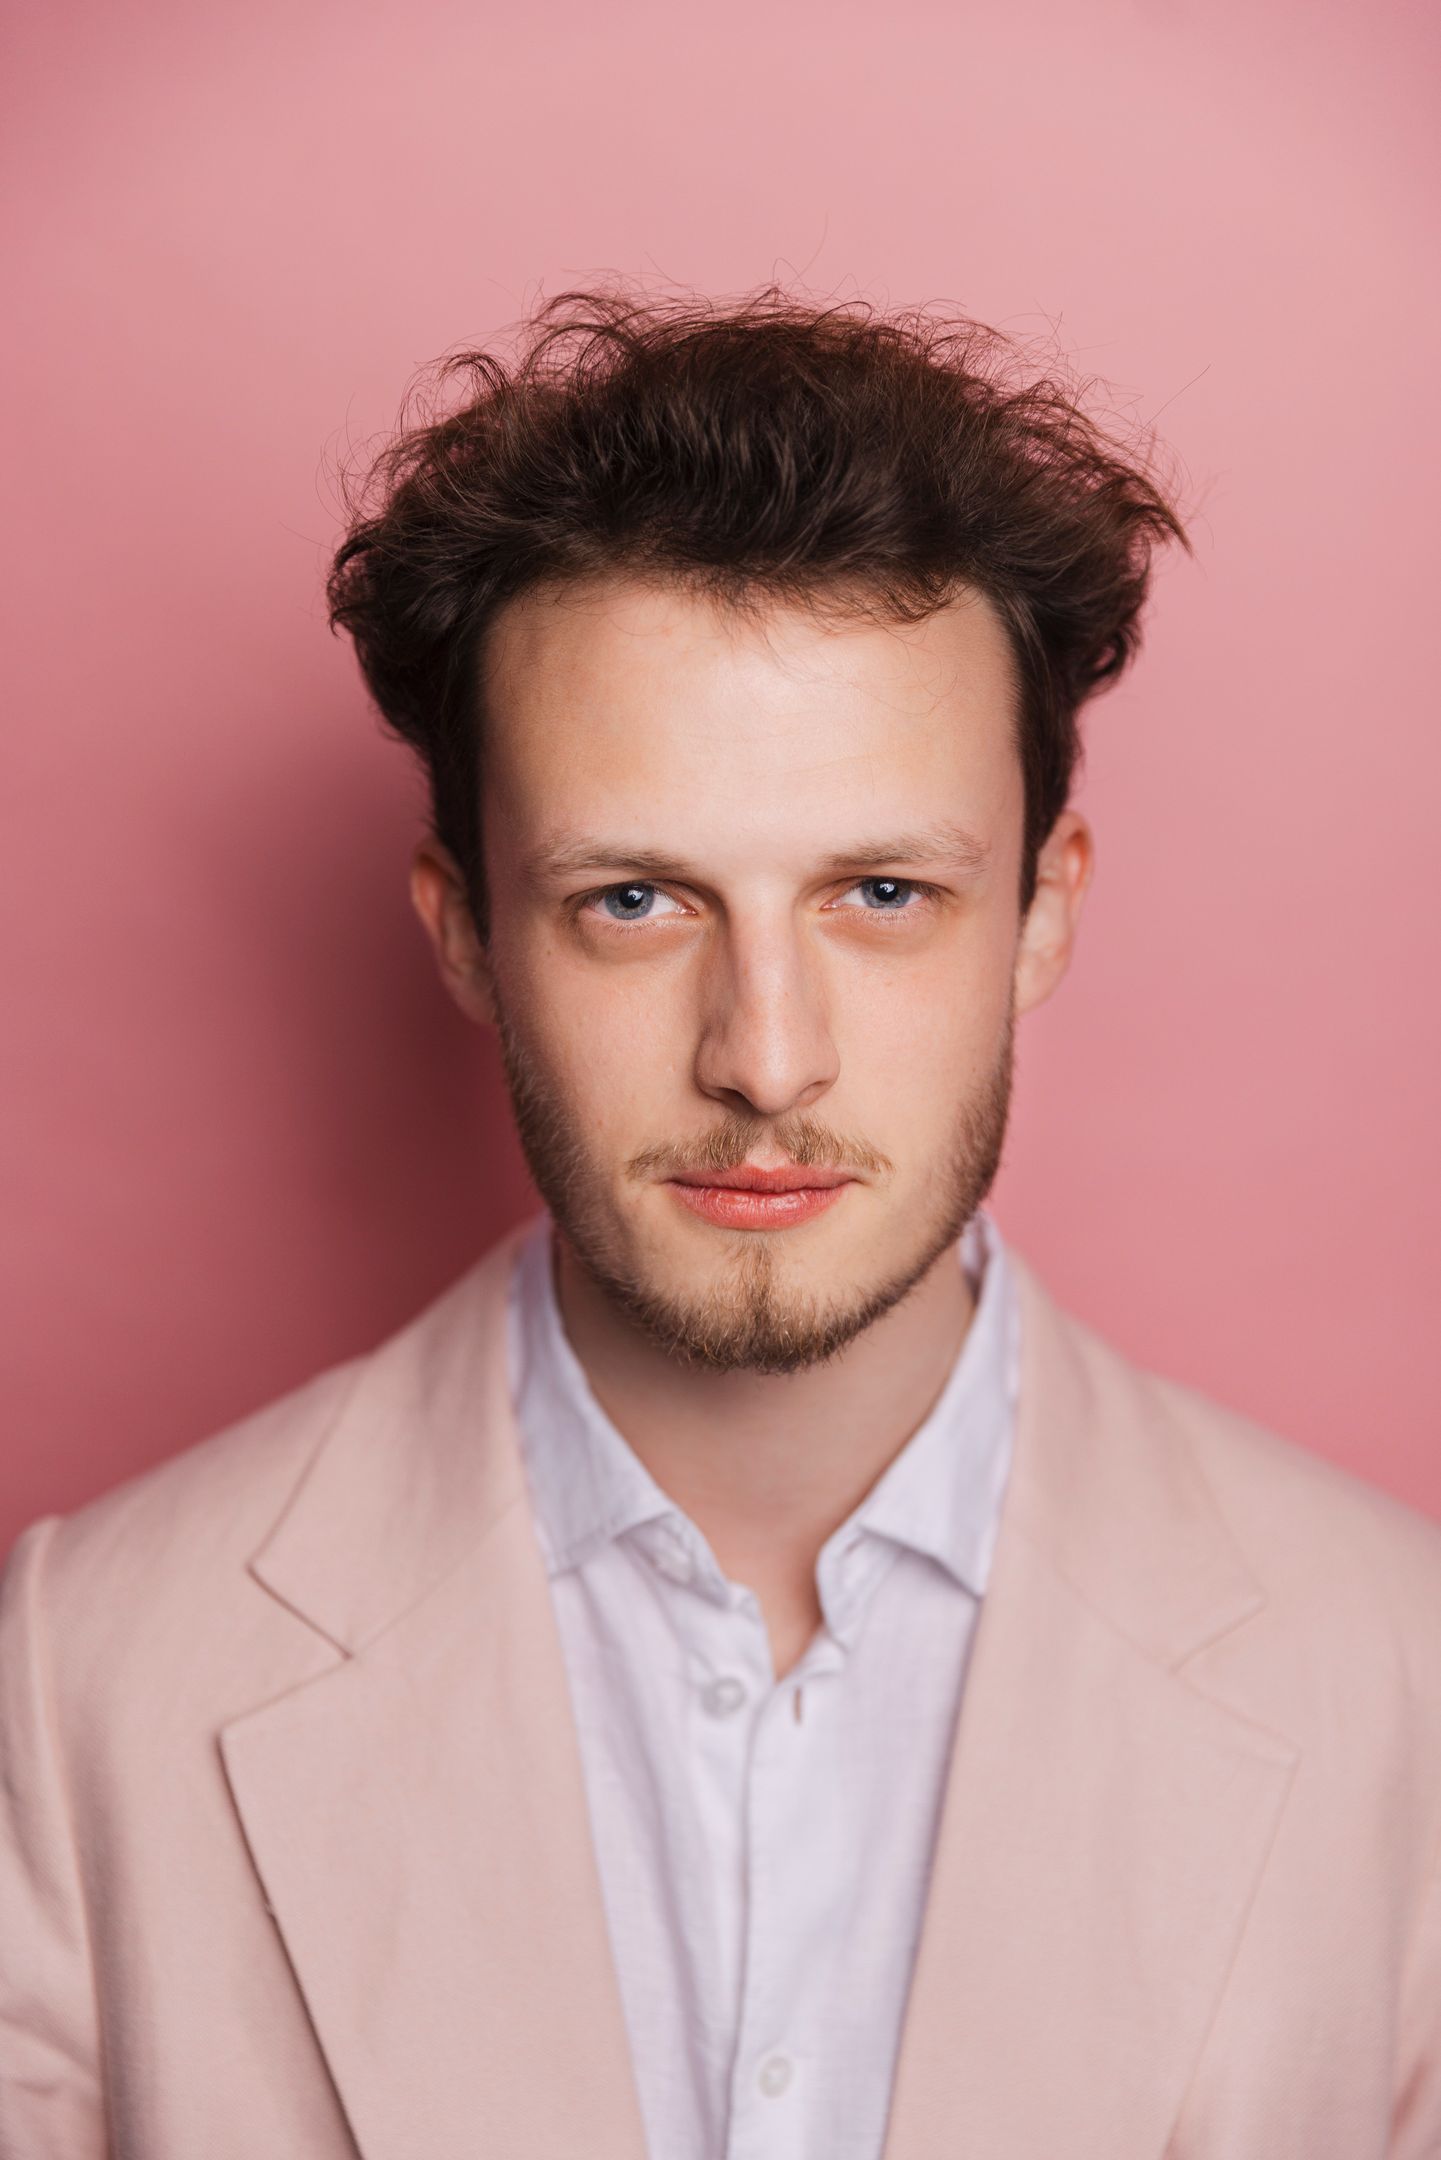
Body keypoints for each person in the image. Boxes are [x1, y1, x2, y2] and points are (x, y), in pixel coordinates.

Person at [2, 290, 1438, 2160]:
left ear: (1041, 913)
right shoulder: (78, 1684)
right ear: (464, 933)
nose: (764, 1058)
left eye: (881, 892)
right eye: (632, 902)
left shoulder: (1400, 1686)